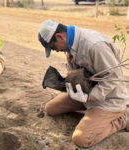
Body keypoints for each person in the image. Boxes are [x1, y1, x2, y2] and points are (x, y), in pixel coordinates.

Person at [38, 19, 129, 148]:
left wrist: (90, 97)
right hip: (85, 93)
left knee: (81, 139)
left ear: (59, 36)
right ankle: (92, 112)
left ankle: (122, 119)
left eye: (53, 47)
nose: (55, 50)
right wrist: (67, 85)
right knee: (50, 109)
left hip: (109, 98)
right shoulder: (70, 44)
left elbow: (114, 77)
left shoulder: (94, 46)